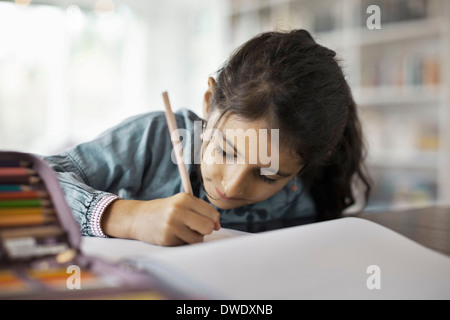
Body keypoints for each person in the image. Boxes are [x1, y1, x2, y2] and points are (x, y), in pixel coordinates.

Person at [44, 29, 371, 246]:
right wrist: (128, 217)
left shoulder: (304, 194)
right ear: (208, 101)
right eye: (226, 152)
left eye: (269, 175)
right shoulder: (154, 140)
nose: (230, 187)